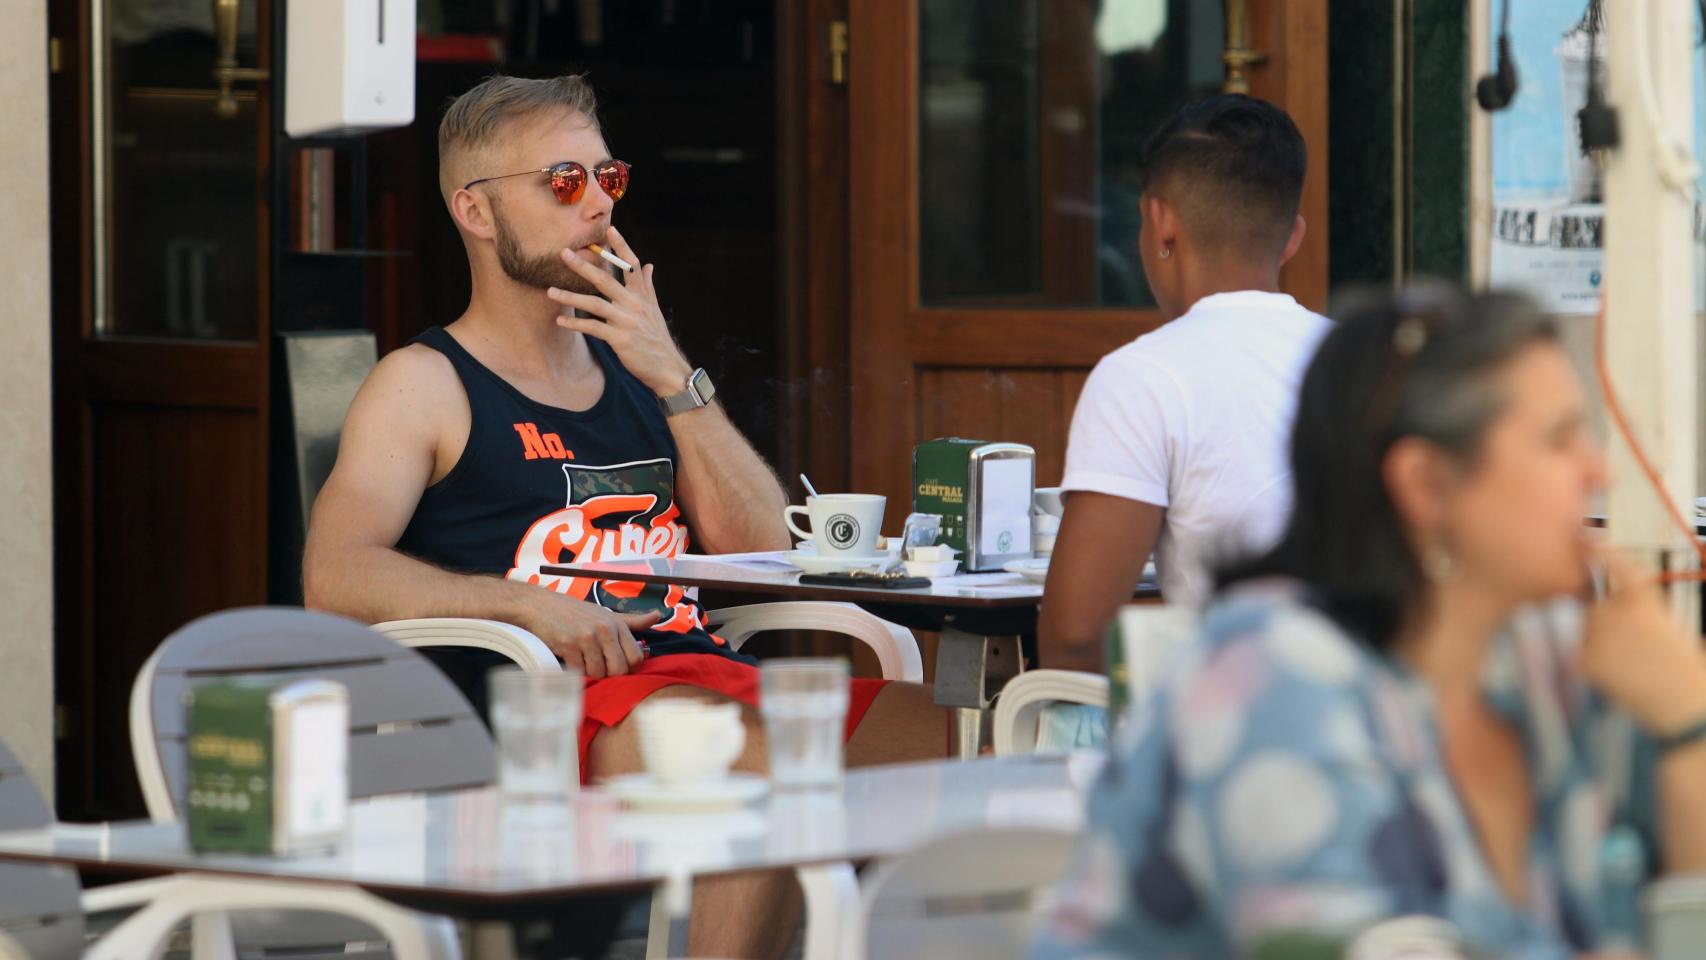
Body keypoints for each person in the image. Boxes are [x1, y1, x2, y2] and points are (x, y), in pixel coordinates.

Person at [302, 74, 946, 958]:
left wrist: (673, 373)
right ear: (477, 213)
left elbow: (765, 550)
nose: (598, 203)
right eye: (564, 182)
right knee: (775, 770)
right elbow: (332, 574)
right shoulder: (426, 384)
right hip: (545, 709)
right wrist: (527, 604)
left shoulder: (643, 373)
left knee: (970, 743)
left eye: (610, 177)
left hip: (695, 679)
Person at [1032, 286, 1706, 958]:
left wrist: (1688, 715)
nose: (1600, 470)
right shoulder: (1272, 678)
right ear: (1427, 484)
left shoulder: (1546, 653)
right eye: (1559, 440)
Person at [1038, 95, 1331, 673]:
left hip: (1233, 737)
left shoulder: (1143, 377)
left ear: (1161, 223)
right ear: (1291, 237)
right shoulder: (1359, 358)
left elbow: (1075, 637)